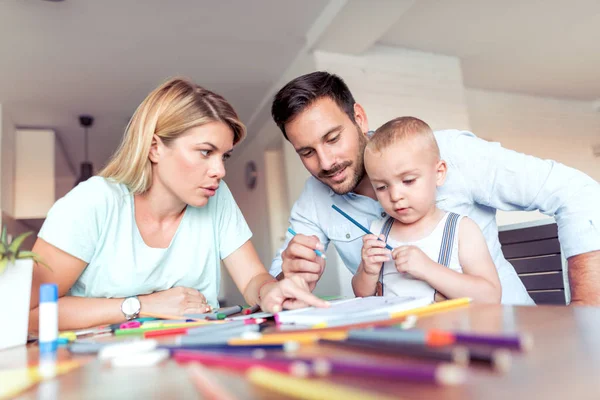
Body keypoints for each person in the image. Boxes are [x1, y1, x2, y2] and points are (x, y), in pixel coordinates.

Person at [269, 71, 600, 306]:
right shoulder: (314, 199)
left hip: (509, 340)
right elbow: (276, 287)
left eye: (332, 138)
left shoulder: (451, 154)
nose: (325, 162)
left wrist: (586, 316)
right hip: (416, 358)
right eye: (307, 152)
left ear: (359, 117)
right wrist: (288, 278)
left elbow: (578, 192)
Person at [29, 77, 327, 331]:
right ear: (155, 147)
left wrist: (271, 291)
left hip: (192, 359)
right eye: (205, 152)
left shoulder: (217, 197)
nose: (219, 171)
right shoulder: (93, 202)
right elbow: (27, 313)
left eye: (223, 156)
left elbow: (252, 279)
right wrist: (142, 306)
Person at [354, 116, 501, 303]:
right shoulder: (378, 233)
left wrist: (427, 268)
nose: (395, 196)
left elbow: (490, 296)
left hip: (448, 331)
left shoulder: (461, 230)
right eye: (382, 187)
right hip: (396, 331)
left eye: (408, 181)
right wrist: (368, 271)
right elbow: (360, 295)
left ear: (439, 173)